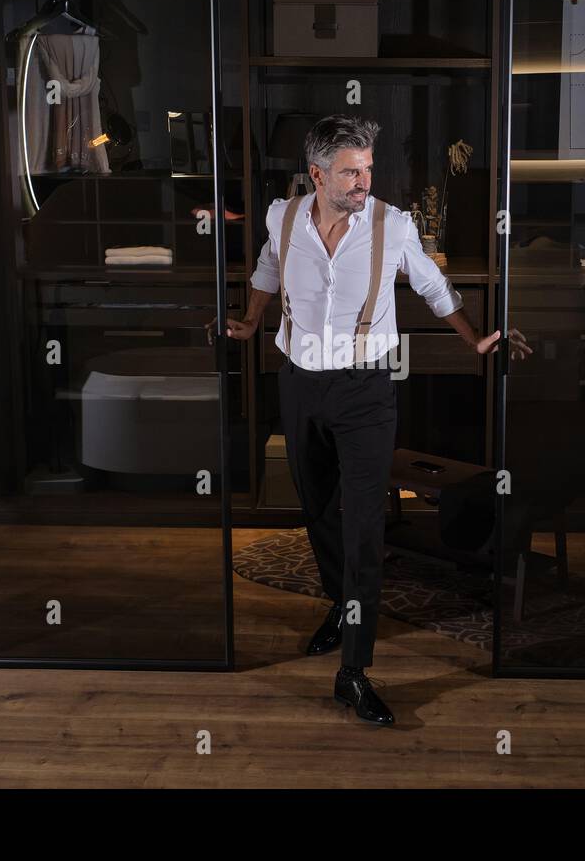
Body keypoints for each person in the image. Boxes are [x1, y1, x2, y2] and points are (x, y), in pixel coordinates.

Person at [224, 114, 531, 726]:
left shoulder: (393, 226)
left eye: (368, 168)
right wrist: (253, 321)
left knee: (364, 524)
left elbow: (432, 285)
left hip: (366, 389)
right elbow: (266, 269)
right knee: (316, 507)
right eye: (351, 171)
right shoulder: (281, 217)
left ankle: (354, 671)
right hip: (298, 381)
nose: (364, 179)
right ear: (317, 175)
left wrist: (473, 338)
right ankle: (343, 605)